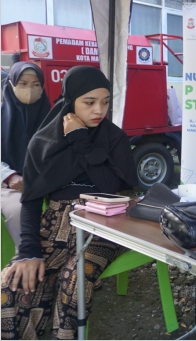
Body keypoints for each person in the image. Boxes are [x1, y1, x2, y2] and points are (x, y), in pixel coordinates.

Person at [0, 66, 138, 340]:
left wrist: (80, 141)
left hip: (106, 226)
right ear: (71, 101)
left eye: (105, 102)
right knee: (12, 286)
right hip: (56, 224)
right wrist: (29, 251)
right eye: (89, 102)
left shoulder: (114, 138)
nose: (99, 110)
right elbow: (31, 200)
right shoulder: (43, 142)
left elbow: (111, 188)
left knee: (73, 279)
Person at [1, 62, 51, 249]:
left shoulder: (53, 118)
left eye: (36, 84)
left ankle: (64, 259)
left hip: (48, 183)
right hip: (10, 185)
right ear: (11, 85)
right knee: (20, 210)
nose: (30, 89)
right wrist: (9, 176)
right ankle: (27, 257)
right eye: (23, 83)